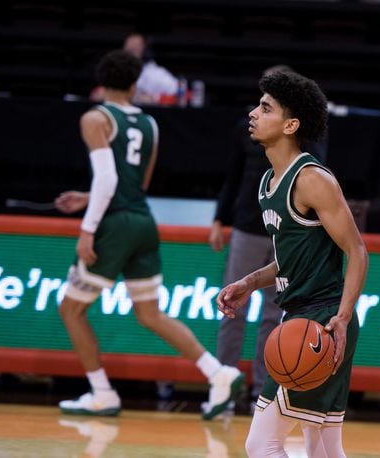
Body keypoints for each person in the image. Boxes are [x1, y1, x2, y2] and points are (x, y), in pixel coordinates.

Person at [54, 49, 244, 419]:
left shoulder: (95, 118)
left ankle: (102, 393)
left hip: (115, 225)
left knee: (71, 309)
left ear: (101, 82)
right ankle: (218, 374)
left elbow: (110, 179)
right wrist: (89, 197)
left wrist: (87, 229)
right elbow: (135, 184)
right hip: (142, 219)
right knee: (150, 314)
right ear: (134, 83)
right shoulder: (149, 124)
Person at [217, 70, 369, 457]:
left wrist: (343, 316)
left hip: (322, 321)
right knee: (323, 448)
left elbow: (357, 251)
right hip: (303, 316)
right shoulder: (269, 180)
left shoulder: (311, 179)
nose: (253, 113)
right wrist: (249, 282)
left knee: (261, 443)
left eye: (265, 107)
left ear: (290, 124)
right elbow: (288, 260)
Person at [210, 65, 296, 407]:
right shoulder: (246, 127)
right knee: (232, 306)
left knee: (274, 316)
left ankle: (264, 389)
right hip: (246, 226)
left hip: (284, 232)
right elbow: (232, 176)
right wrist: (219, 218)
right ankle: (224, 385)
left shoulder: (302, 131)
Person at [90, 33, 178, 105]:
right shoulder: (117, 69)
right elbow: (97, 93)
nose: (130, 50)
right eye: (128, 47)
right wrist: (99, 94)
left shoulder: (157, 74)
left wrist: (154, 99)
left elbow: (178, 97)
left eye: (135, 48)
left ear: (145, 50)